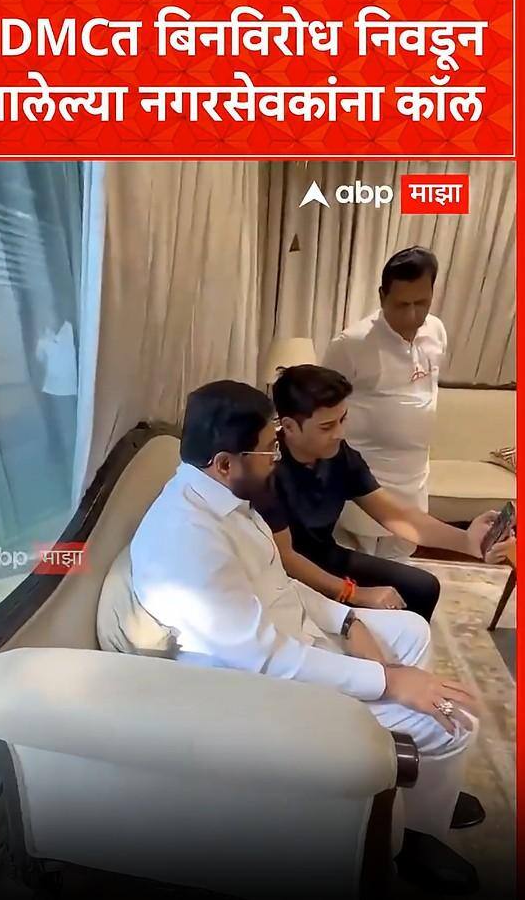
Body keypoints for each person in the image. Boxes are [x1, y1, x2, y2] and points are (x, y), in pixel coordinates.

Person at [129, 380, 506, 893]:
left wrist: (348, 620)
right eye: (268, 448)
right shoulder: (188, 540)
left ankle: (416, 787)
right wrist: (388, 681)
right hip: (266, 692)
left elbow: (278, 581)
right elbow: (267, 660)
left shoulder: (226, 498)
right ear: (224, 462)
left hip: (296, 642)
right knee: (455, 720)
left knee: (411, 630)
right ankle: (410, 840)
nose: (276, 459)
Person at [250, 364, 514, 833]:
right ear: (288, 426)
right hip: (295, 572)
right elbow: (285, 559)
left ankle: (417, 737)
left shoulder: (339, 455)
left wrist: (465, 541)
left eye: (342, 420)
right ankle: (374, 722)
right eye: (326, 425)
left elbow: (395, 515)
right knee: (383, 599)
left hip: (326, 555)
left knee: (421, 586)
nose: (339, 433)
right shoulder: (267, 470)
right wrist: (356, 594)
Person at [324, 246, 445, 559]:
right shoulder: (351, 344)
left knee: (403, 560)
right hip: (366, 479)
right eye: (401, 304)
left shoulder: (436, 331)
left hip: (414, 475)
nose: (412, 315)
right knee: (360, 566)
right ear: (382, 296)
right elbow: (321, 406)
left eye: (421, 303)